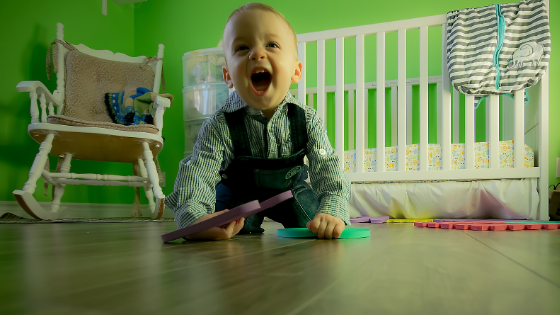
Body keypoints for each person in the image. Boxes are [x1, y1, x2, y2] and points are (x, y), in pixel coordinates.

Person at [165, 3, 350, 240]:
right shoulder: (219, 124)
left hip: (291, 191)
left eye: (272, 45)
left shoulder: (308, 119)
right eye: (242, 47)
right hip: (239, 193)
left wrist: (332, 210)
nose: (257, 53)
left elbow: (328, 170)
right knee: (223, 226)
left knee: (316, 224)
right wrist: (194, 217)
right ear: (228, 76)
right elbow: (198, 172)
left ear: (296, 71)